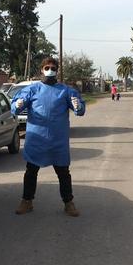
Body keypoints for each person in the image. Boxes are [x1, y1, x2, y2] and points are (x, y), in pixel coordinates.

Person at [11, 57, 86, 217]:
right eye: (47, 67)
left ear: (57, 71)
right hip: (36, 140)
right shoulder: (32, 90)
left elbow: (79, 111)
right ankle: (27, 201)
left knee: (63, 173)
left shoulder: (65, 91)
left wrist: (78, 106)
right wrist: (16, 105)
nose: (50, 70)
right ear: (41, 70)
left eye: (53, 67)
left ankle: (68, 203)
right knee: (31, 172)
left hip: (58, 141)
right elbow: (16, 108)